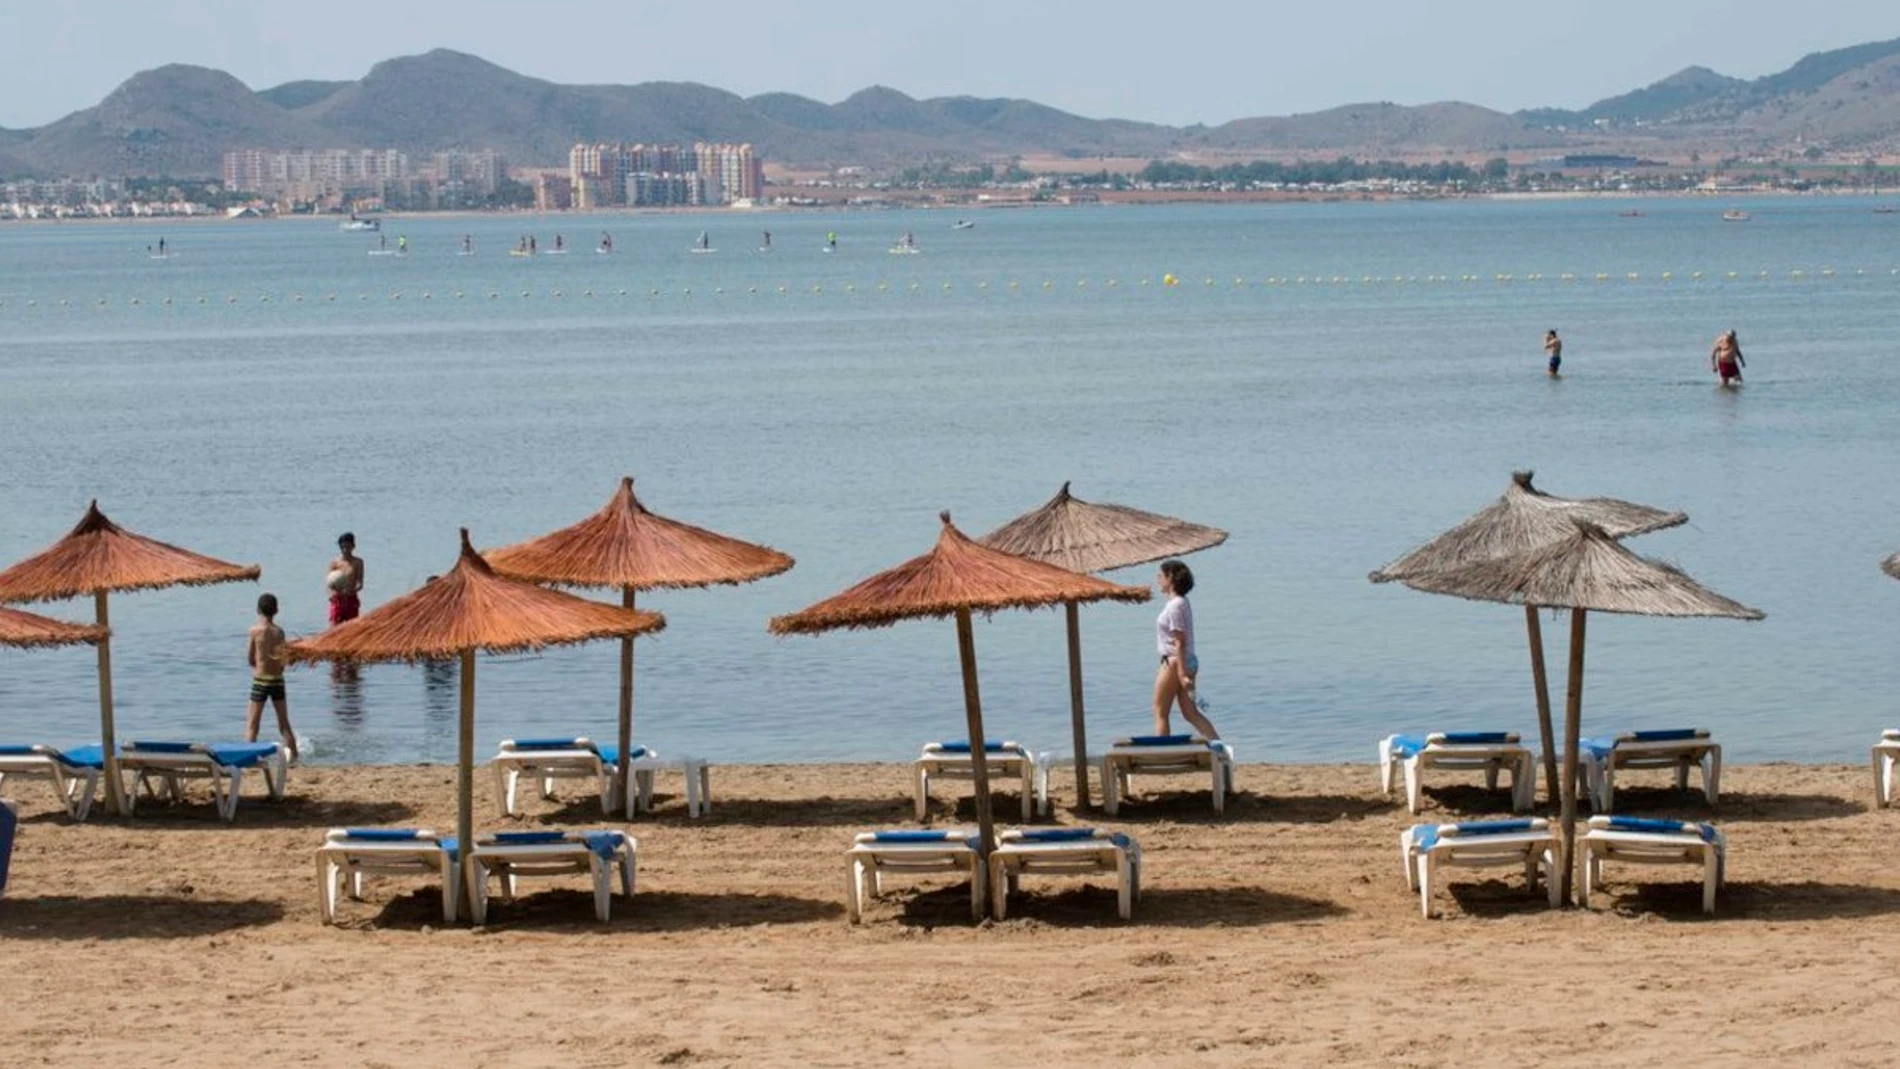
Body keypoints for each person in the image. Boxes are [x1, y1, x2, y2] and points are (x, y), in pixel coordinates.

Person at [1152, 559, 1219, 739]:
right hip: (1186, 660)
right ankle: (1220, 751)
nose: (1158, 578)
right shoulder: (1182, 602)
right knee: (1190, 713)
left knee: (1160, 712)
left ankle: (1161, 755)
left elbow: (1179, 641)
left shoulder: (1174, 606)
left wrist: (1182, 675)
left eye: (1161, 575)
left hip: (1175, 662)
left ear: (1171, 578)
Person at [245, 593, 299, 762]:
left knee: (253, 724)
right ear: (276, 611)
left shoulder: (255, 631)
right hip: (277, 681)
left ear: (257, 610)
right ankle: (295, 756)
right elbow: (283, 660)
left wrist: (259, 665)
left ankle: (248, 757)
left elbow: (250, 659)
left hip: (261, 680)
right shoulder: (279, 632)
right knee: (284, 723)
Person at [327, 532, 364, 626]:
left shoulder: (358, 562)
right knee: (334, 628)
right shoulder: (334, 563)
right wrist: (331, 594)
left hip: (351, 599)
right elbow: (330, 583)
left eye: (348, 547)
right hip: (337, 600)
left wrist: (353, 590)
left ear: (353, 546)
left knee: (352, 628)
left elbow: (360, 583)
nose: (345, 550)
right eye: (343, 547)